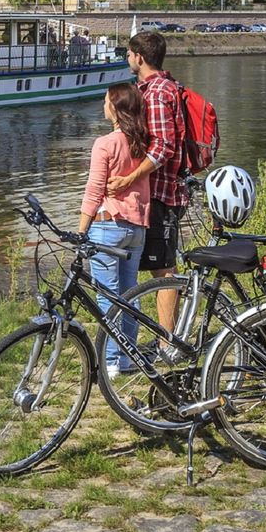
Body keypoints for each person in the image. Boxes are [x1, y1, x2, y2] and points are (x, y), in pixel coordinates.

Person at [108, 31, 189, 342]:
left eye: (129, 55)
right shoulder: (164, 88)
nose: (128, 59)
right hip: (159, 193)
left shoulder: (156, 94)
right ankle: (153, 335)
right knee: (155, 267)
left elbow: (163, 147)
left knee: (163, 269)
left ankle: (169, 341)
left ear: (139, 57)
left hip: (161, 194)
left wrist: (129, 178)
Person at [82, 82, 153, 378]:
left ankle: (111, 362)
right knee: (129, 294)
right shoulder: (142, 142)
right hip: (137, 228)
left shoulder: (106, 143)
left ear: (115, 108)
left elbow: (94, 190)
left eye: (106, 101)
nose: (103, 105)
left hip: (107, 226)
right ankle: (127, 358)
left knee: (107, 299)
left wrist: (81, 230)